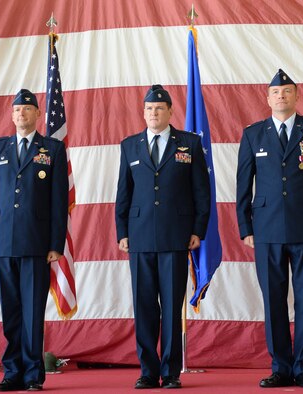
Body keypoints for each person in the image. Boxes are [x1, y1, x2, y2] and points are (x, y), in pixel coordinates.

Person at [236, 70, 303, 388]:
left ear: (297, 95)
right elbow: (243, 184)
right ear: (267, 98)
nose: (281, 95)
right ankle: (280, 366)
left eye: (286, 91)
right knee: (273, 299)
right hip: (266, 229)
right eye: (275, 92)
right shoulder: (254, 134)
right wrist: (245, 226)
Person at [115, 85, 210, 389]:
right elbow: (123, 193)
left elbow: (201, 192)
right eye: (148, 109)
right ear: (143, 113)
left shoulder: (190, 144)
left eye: (159, 108)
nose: (153, 113)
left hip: (176, 236)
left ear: (170, 111)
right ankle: (147, 370)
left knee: (171, 306)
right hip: (140, 236)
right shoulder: (130, 145)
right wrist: (122, 231)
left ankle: (169, 372)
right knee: (144, 307)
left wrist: (198, 229)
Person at [0, 89, 68, 392]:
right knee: (11, 312)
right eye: (17, 111)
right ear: (12, 115)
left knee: (32, 313)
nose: (22, 115)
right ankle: (12, 372)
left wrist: (56, 244)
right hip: (3, 243)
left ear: (37, 115)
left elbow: (59, 201)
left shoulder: (52, 149)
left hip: (37, 244)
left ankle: (32, 375)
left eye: (27, 110)